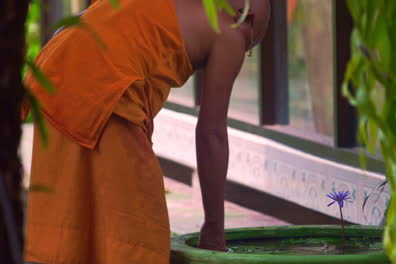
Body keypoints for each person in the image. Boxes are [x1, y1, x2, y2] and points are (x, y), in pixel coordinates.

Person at [22, 0, 270, 263]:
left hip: (56, 66)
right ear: (249, 18)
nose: (243, 50)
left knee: (78, 213)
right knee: (140, 231)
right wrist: (213, 228)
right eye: (249, 46)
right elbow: (212, 134)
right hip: (105, 84)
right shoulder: (233, 32)